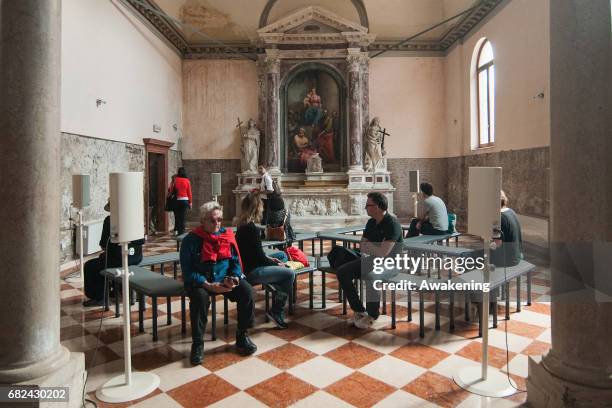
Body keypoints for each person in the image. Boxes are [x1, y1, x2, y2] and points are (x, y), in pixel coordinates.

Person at [180, 202, 257, 365]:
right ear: (202, 221)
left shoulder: (227, 236)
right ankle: (198, 344)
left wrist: (234, 278)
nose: (217, 224)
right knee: (200, 299)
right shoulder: (190, 240)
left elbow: (235, 262)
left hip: (224, 279)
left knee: (247, 291)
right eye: (212, 220)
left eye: (220, 220)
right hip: (201, 282)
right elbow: (187, 272)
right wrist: (208, 284)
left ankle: (242, 336)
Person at [331, 192, 403, 329]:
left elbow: (383, 253)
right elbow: (362, 246)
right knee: (342, 272)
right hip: (373, 260)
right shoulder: (371, 222)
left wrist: (371, 246)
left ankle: (372, 315)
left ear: (378, 206)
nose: (365, 208)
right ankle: (359, 311)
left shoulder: (392, 223)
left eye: (368, 205)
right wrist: (374, 247)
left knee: (371, 276)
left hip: (391, 263)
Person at [235, 193, 295, 329]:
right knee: (290, 274)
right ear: (257, 209)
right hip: (252, 271)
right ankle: (277, 311)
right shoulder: (251, 229)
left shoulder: (243, 225)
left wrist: (272, 259)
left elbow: (255, 253)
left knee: (281, 255)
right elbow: (258, 258)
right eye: (261, 207)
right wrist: (275, 263)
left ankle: (277, 287)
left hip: (251, 263)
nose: (263, 210)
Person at [83, 200, 144, 307]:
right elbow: (141, 240)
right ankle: (120, 290)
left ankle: (100, 298)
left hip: (118, 259)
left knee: (90, 266)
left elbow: (103, 245)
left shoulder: (110, 220)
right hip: (136, 257)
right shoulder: (135, 218)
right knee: (104, 259)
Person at [491, 190, 523, 267]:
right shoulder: (512, 212)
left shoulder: (498, 218)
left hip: (507, 260)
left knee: (473, 256)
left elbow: (497, 244)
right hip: (518, 255)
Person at [169, 167, 192, 235]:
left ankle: (178, 231)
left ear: (178, 172)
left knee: (178, 216)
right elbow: (189, 192)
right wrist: (190, 202)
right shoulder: (187, 180)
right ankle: (182, 232)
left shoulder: (175, 180)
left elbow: (171, 190)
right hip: (185, 200)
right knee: (183, 217)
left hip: (177, 200)